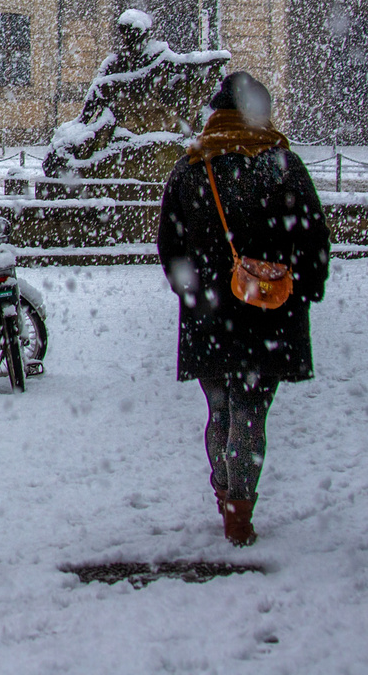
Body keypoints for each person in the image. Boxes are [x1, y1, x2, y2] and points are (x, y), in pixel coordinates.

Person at [158, 72, 330, 547]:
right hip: (270, 313)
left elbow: (169, 245)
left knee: (219, 410)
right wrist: (306, 287)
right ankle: (239, 508)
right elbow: (313, 237)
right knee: (250, 411)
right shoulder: (282, 164)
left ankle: (224, 493)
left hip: (209, 315)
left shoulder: (192, 168)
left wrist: (191, 292)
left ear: (215, 113)